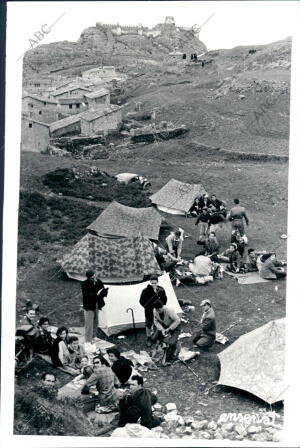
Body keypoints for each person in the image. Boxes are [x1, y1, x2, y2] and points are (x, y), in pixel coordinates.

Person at [139, 275, 167, 347]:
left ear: (158, 282)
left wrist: (160, 305)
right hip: (149, 311)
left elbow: (165, 300)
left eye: (155, 283)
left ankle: (159, 337)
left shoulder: (161, 290)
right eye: (152, 283)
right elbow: (141, 301)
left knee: (159, 323)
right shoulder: (145, 291)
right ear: (150, 282)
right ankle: (149, 337)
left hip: (159, 310)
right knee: (149, 324)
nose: (154, 284)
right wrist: (148, 307)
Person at [151, 300, 181, 365]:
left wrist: (169, 328)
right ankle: (163, 342)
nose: (158, 311)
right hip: (163, 327)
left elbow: (178, 320)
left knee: (171, 343)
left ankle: (175, 344)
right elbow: (156, 321)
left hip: (175, 328)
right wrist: (161, 329)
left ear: (162, 307)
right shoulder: (154, 311)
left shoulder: (169, 310)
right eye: (157, 310)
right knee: (153, 339)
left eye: (159, 309)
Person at [81, 270, 107, 343]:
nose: (95, 277)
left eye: (95, 275)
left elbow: (102, 289)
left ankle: (93, 336)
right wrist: (96, 294)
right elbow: (87, 295)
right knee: (89, 323)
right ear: (89, 277)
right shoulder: (84, 284)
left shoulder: (98, 281)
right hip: (89, 306)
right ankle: (88, 340)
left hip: (96, 304)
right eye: (93, 277)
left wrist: (103, 291)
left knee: (96, 321)